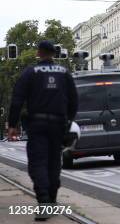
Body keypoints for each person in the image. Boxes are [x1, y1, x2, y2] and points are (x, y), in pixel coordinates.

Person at [8, 41, 78, 221]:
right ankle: (52, 199)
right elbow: (74, 100)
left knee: (38, 163)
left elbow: (17, 99)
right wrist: (69, 120)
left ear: (39, 52)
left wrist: (12, 125)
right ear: (53, 53)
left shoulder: (30, 73)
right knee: (54, 162)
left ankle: (44, 201)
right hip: (58, 124)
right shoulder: (64, 73)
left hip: (37, 124)